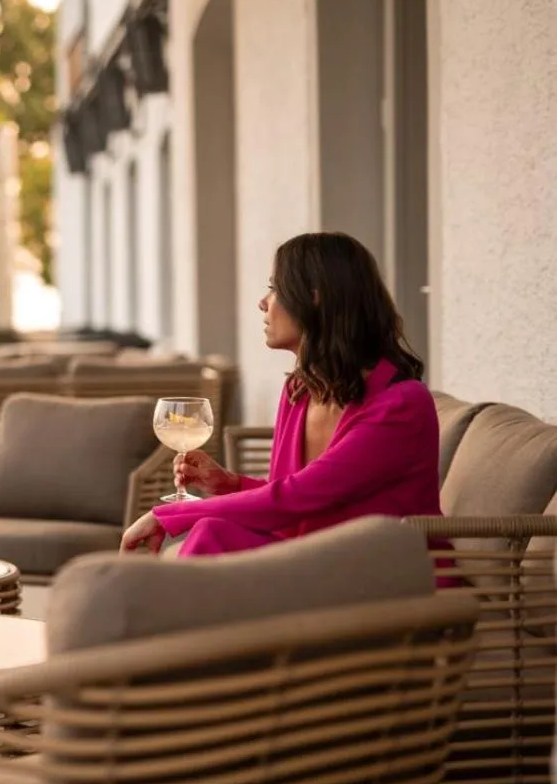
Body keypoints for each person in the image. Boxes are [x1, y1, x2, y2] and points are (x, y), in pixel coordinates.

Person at [121, 232, 439, 557]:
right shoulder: (300, 390)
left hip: (385, 567)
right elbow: (293, 495)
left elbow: (297, 497)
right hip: (318, 557)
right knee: (212, 531)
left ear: (314, 299)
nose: (263, 302)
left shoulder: (401, 404)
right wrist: (230, 484)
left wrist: (171, 514)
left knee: (210, 532)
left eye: (275, 288)